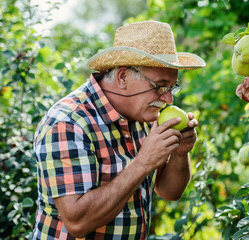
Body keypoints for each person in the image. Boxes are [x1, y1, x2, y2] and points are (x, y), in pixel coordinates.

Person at [32, 20, 205, 239]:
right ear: (123, 77)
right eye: (160, 86)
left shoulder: (144, 114)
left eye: (172, 88)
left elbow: (169, 192)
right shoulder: (69, 123)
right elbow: (77, 222)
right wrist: (142, 163)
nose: (168, 99)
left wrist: (180, 153)